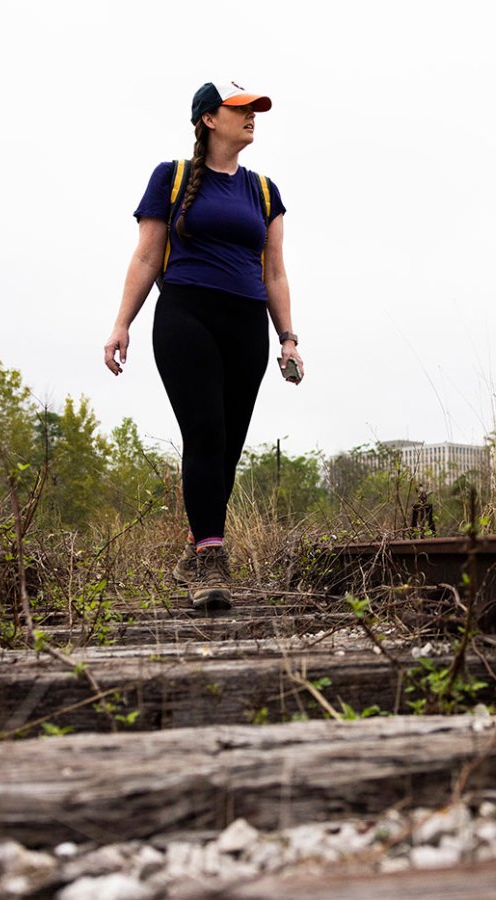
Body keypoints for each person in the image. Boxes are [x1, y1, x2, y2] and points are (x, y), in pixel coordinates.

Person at [103, 80, 304, 612]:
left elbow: (275, 272)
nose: (252, 117)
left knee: (229, 447)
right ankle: (212, 562)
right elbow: (147, 257)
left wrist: (288, 337)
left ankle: (196, 548)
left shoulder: (264, 191)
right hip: (185, 314)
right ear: (209, 119)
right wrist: (122, 323)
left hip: (245, 324)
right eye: (241, 109)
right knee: (206, 432)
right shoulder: (171, 178)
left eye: (255, 110)